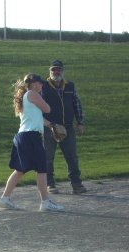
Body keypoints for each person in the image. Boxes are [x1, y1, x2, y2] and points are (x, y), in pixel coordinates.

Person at [0, 74, 64, 211]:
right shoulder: (33, 93)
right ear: (33, 84)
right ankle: (45, 202)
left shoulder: (26, 97)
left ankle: (4, 199)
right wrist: (43, 100)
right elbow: (47, 109)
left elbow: (38, 118)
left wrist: (51, 125)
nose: (42, 85)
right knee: (42, 169)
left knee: (20, 170)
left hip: (23, 136)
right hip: (30, 137)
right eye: (40, 83)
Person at [41, 60, 87, 194]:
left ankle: (76, 184)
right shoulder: (44, 86)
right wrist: (48, 124)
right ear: (50, 71)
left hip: (67, 127)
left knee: (72, 156)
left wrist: (80, 122)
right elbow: (40, 107)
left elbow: (76, 104)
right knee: (48, 157)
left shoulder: (70, 86)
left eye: (59, 69)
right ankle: (50, 184)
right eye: (54, 69)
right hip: (50, 127)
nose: (56, 72)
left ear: (63, 71)